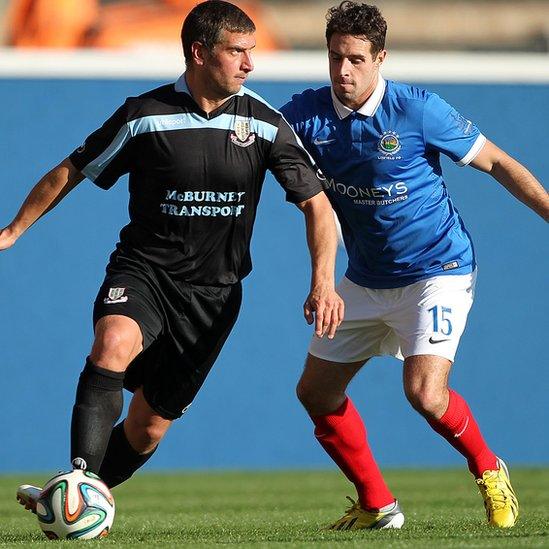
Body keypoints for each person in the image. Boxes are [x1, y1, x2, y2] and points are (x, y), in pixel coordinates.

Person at [3, 0, 343, 512]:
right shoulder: (144, 116)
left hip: (213, 297)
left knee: (146, 429)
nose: (250, 64)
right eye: (237, 52)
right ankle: (77, 489)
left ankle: (75, 495)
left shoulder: (267, 124)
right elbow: (71, 170)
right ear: (199, 53)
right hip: (144, 273)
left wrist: (324, 281)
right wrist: (13, 229)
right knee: (113, 342)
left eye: (252, 51)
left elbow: (318, 207)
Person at [281, 0, 548, 531]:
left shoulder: (418, 109)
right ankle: (377, 505)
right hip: (366, 277)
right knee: (315, 392)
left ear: (380, 57)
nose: (343, 71)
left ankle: (489, 469)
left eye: (356, 59)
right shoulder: (303, 117)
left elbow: (495, 161)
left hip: (438, 269)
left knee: (425, 394)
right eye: (335, 57)